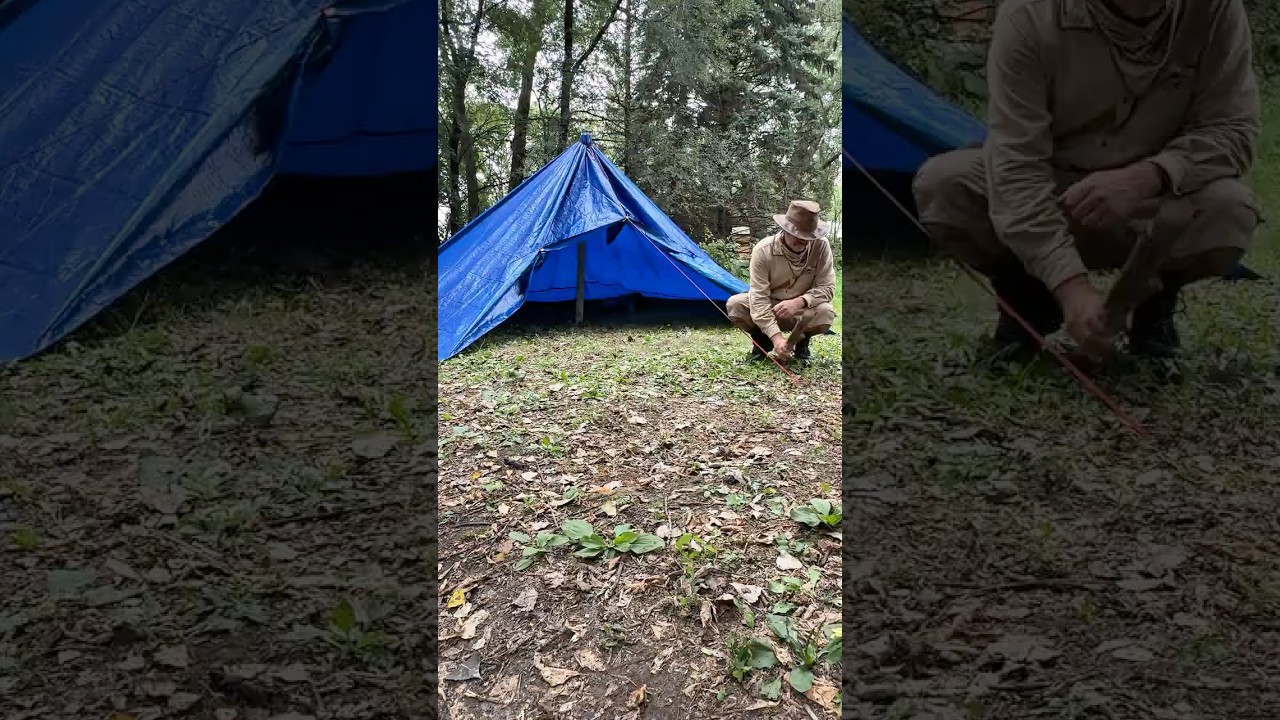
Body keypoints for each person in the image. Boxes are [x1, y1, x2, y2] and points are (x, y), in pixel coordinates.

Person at [912, 0, 1262, 361]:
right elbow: (1016, 166)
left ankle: (1152, 304)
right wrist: (1072, 288)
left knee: (1229, 209)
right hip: (1056, 192)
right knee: (945, 185)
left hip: (1149, 204)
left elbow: (1234, 130)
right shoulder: (1028, 14)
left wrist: (1147, 177)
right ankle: (1028, 297)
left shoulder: (1216, 10)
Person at [726, 200, 837, 362]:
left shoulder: (821, 247)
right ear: (786, 229)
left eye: (809, 237)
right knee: (735, 305)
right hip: (771, 307)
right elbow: (758, 298)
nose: (804, 241)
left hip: (801, 312)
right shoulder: (763, 250)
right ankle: (762, 340)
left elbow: (827, 287)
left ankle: (801, 342)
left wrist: (800, 302)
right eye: (799, 236)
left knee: (826, 312)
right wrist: (776, 337)